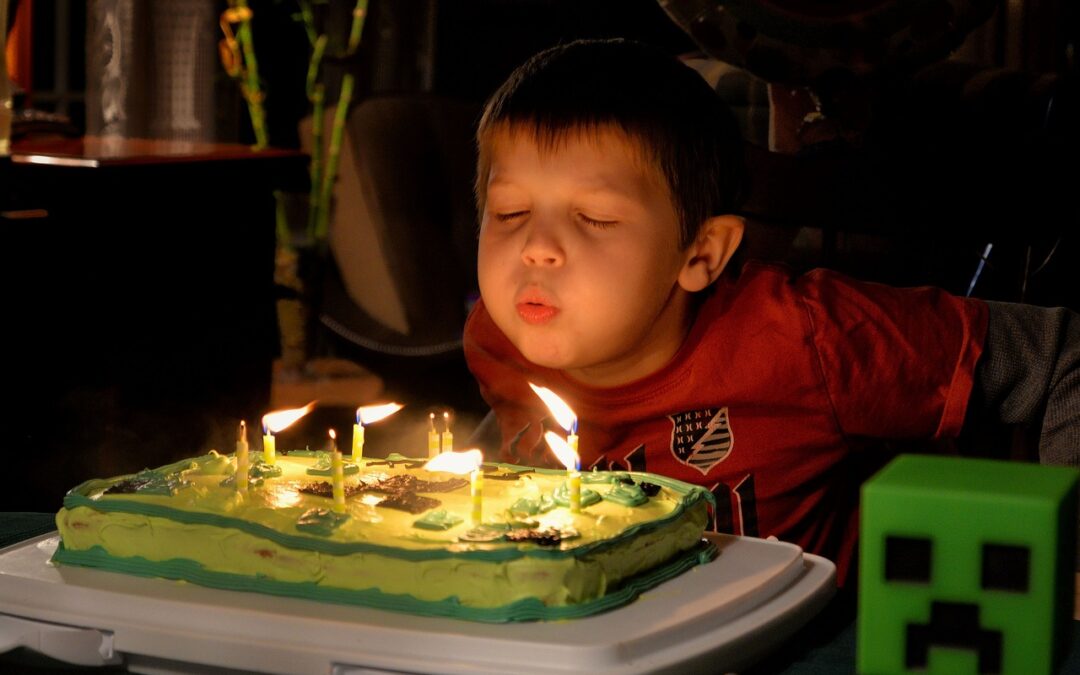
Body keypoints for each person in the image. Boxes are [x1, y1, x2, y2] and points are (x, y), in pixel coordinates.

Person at [462, 38, 1080, 584]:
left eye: (593, 219)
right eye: (509, 213)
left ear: (701, 254)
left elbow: (1062, 354)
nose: (534, 248)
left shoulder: (805, 338)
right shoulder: (499, 342)